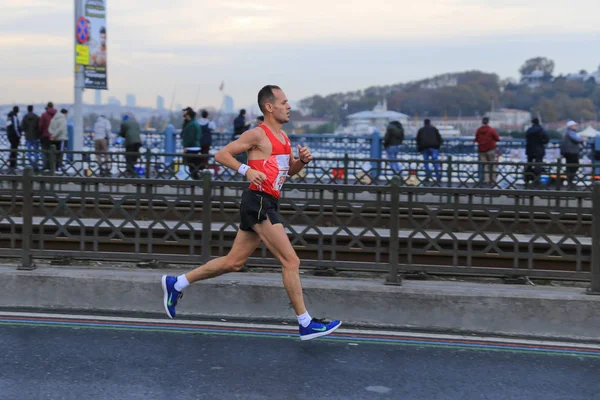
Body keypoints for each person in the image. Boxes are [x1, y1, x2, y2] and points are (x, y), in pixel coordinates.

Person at [161, 85, 342, 341]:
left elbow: (287, 172)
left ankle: (176, 283)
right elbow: (222, 154)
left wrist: (302, 161)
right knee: (291, 261)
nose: (289, 106)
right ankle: (305, 323)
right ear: (269, 107)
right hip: (258, 202)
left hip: (267, 201)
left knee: (233, 262)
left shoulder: (284, 138)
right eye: (284, 102)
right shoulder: (258, 134)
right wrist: (246, 170)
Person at [560, 120, 585, 189]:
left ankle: (569, 181)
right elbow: (577, 139)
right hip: (571, 152)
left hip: (568, 152)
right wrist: (583, 139)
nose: (575, 126)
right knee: (575, 165)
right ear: (571, 126)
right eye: (574, 125)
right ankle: (570, 181)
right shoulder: (571, 132)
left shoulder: (568, 132)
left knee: (570, 166)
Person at [474, 117, 500, 185]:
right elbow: (497, 138)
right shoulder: (491, 130)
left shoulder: (478, 130)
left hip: (481, 149)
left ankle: (486, 179)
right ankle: (493, 180)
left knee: (485, 165)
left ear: (482, 122)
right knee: (492, 165)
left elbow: (476, 139)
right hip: (490, 149)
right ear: (488, 122)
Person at [525, 118, 549, 186]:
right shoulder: (541, 130)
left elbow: (526, 137)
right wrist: (542, 142)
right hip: (539, 149)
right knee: (538, 164)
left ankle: (527, 179)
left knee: (529, 163)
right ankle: (537, 179)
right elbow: (546, 139)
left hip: (529, 149)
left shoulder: (529, 130)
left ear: (532, 123)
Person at [181, 107, 202, 179]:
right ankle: (197, 181)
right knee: (195, 167)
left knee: (191, 167)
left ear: (188, 115)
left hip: (191, 148)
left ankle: (196, 181)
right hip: (196, 147)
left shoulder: (191, 125)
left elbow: (189, 138)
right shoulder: (195, 123)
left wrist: (185, 146)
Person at [38, 102, 57, 170]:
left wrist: (40, 133)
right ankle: (53, 166)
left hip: (45, 136)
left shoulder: (44, 115)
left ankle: (46, 166)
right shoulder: (56, 115)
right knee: (53, 151)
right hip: (55, 136)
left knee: (45, 151)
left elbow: (40, 126)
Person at [21, 105, 41, 169]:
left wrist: (26, 131)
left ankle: (30, 164)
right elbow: (39, 126)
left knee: (28, 150)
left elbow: (22, 126)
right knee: (36, 151)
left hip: (28, 136)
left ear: (27, 109)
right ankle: (35, 164)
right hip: (35, 136)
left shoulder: (25, 117)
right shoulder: (36, 117)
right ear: (32, 109)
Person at [6, 106, 22, 170]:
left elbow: (8, 125)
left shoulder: (9, 116)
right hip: (14, 136)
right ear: (17, 110)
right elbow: (15, 127)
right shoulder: (14, 116)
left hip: (10, 135)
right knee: (14, 150)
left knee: (12, 150)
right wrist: (19, 135)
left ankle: (11, 164)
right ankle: (13, 164)